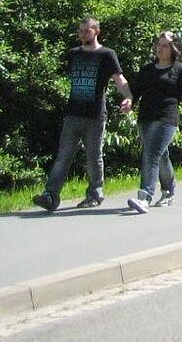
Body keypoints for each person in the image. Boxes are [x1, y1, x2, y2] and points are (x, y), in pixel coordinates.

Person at [33, 16, 134, 211]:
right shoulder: (74, 54)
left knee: (93, 156)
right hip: (73, 114)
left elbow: (119, 79)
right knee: (64, 155)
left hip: (95, 115)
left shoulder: (107, 54)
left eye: (86, 31)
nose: (82, 35)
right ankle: (50, 196)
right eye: (80, 31)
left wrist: (128, 97)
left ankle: (95, 194)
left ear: (96, 31)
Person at [126, 31, 182, 213]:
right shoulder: (147, 70)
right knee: (160, 155)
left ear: (174, 49)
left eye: (165, 45)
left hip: (167, 119)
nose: (160, 48)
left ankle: (145, 196)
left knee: (152, 154)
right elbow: (136, 91)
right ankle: (169, 191)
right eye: (158, 44)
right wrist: (129, 102)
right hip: (146, 118)